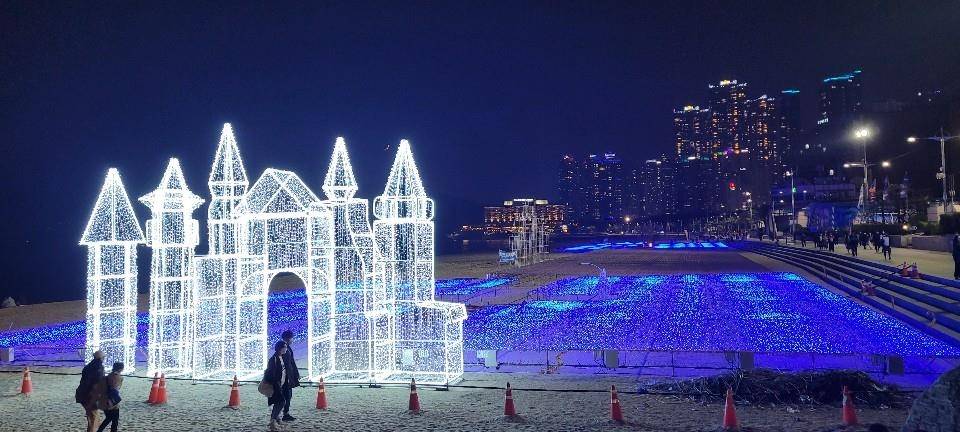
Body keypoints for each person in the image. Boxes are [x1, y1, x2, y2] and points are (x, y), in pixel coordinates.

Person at [76, 350, 106, 432]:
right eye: (104, 357)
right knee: (94, 420)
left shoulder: (88, 366)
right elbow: (99, 384)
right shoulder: (99, 368)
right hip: (90, 396)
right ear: (101, 358)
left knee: (93, 419)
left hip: (82, 395)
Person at [265, 341, 292, 431]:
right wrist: (276, 384)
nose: (286, 348)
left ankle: (275, 420)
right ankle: (273, 420)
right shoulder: (274, 359)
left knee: (278, 402)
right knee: (281, 402)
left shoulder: (281, 357)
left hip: (282, 384)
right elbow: (272, 374)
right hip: (276, 385)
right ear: (279, 348)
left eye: (286, 347)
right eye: (284, 347)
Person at [279, 329, 301, 422]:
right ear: (288, 338)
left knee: (287, 395)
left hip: (287, 376)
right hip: (286, 376)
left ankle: (284, 414)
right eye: (292, 338)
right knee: (286, 395)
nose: (293, 340)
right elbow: (288, 364)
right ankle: (284, 414)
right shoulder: (285, 348)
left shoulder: (286, 347)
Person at [96, 362, 124, 432]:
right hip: (112, 400)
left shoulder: (108, 376)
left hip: (104, 398)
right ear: (121, 369)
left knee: (109, 417)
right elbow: (117, 388)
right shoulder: (119, 377)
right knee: (114, 420)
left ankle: (99, 430)